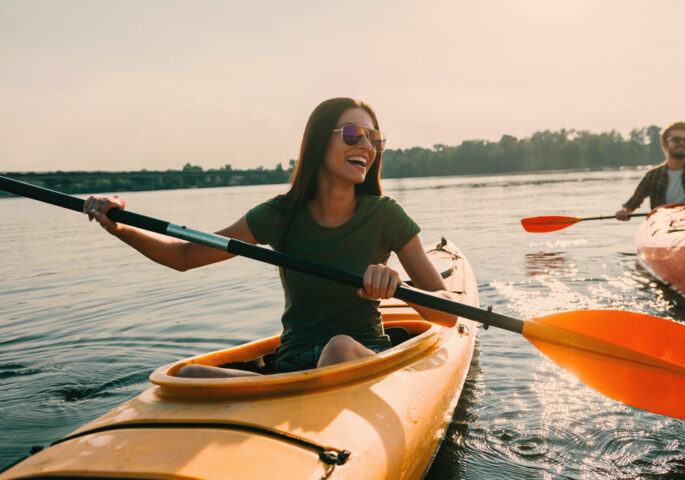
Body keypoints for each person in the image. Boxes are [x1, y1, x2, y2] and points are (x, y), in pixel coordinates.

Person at [82, 97, 457, 377]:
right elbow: (184, 255)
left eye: (375, 138)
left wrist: (397, 286)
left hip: (359, 355)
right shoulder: (278, 215)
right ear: (318, 142)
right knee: (187, 374)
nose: (367, 146)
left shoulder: (386, 215)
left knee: (339, 348)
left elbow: (446, 313)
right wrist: (119, 225)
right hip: (292, 365)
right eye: (353, 134)